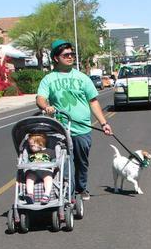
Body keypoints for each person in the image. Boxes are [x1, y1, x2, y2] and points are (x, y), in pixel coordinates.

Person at [36, 40, 113, 201]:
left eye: (72, 54)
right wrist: (46, 107)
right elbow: (40, 98)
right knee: (64, 162)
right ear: (56, 58)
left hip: (82, 129)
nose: (70, 57)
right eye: (66, 55)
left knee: (81, 162)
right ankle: (68, 193)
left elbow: (93, 101)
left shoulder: (82, 78)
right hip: (60, 129)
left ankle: (81, 187)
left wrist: (104, 123)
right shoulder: (48, 79)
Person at [23, 134, 56, 205]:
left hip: (46, 170)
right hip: (34, 171)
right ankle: (30, 195)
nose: (30, 147)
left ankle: (46, 195)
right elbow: (27, 163)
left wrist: (54, 165)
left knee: (48, 178)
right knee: (29, 178)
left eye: (32, 145)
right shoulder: (30, 154)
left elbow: (54, 161)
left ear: (40, 144)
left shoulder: (50, 151)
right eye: (29, 146)